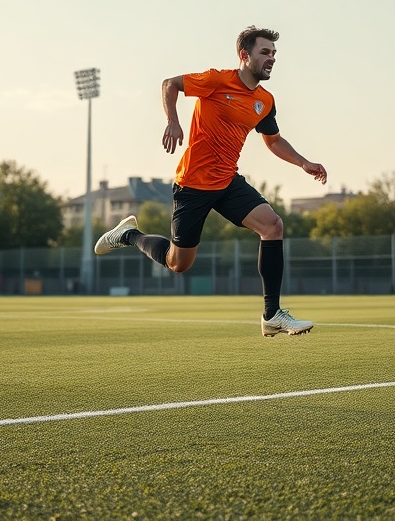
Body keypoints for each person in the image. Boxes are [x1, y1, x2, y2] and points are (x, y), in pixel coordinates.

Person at [94, 26, 327, 337]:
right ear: (245, 56)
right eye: (265, 52)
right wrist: (173, 121)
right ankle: (129, 235)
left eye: (273, 54)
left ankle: (272, 315)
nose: (271, 59)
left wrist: (303, 162)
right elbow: (169, 84)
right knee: (178, 263)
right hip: (192, 184)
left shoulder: (264, 101)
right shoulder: (217, 80)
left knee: (273, 226)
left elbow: (273, 140)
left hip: (227, 181)